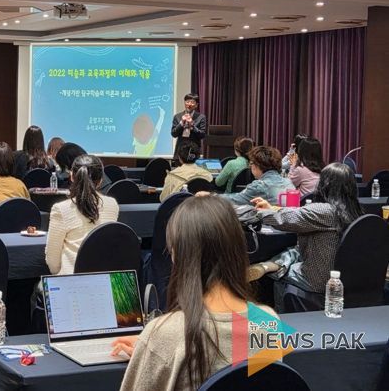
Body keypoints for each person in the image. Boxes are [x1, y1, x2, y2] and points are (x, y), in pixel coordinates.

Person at [113, 195, 275, 390]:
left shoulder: (164, 334)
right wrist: (152, 352)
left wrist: (153, 351)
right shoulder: (269, 321)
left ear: (178, 255)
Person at [249, 163, 364, 310]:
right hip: (345, 278)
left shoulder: (324, 211)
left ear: (324, 184)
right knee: (294, 250)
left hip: (317, 279)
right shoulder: (356, 211)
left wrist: (255, 213)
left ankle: (282, 315)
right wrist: (271, 208)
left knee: (278, 274)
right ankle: (273, 264)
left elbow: (284, 219)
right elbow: (296, 214)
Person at [45, 155, 119, 275]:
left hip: (70, 280)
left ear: (72, 176)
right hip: (103, 278)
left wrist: (61, 275)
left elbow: (52, 261)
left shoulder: (60, 209)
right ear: (101, 180)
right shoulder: (112, 205)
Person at [221, 146, 294, 205]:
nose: (250, 167)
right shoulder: (289, 182)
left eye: (251, 164)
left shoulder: (259, 186)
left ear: (257, 165)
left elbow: (234, 200)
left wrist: (214, 196)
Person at [171, 94, 207, 166]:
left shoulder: (201, 117)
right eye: (187, 102)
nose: (189, 104)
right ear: (184, 103)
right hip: (180, 152)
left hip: (194, 151)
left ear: (196, 105)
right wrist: (181, 123)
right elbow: (173, 134)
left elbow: (202, 135)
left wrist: (192, 126)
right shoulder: (177, 116)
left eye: (192, 102)